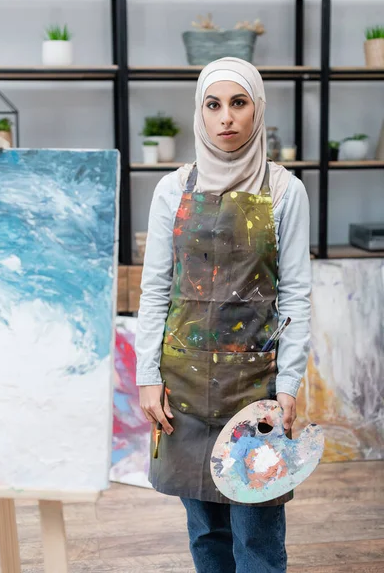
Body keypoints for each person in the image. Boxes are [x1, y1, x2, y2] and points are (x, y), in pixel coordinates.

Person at [135, 57, 311, 573]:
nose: (226, 117)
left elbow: (297, 295)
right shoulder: (173, 189)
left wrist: (289, 384)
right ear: (200, 113)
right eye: (214, 105)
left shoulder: (284, 190)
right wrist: (148, 376)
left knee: (256, 534)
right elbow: (154, 292)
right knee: (206, 533)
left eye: (239, 103)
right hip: (184, 387)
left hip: (256, 387)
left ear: (257, 110)